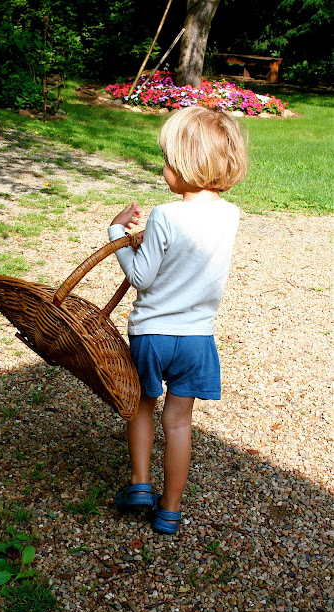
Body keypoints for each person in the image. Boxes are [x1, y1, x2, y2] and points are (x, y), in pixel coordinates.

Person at [107, 106, 248, 534]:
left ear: (187, 165)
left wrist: (117, 234)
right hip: (197, 339)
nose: (163, 168)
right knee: (179, 421)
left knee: (141, 407)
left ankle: (140, 483)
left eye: (168, 160)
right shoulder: (231, 214)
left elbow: (140, 277)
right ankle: (169, 510)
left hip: (153, 335)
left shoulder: (166, 215)